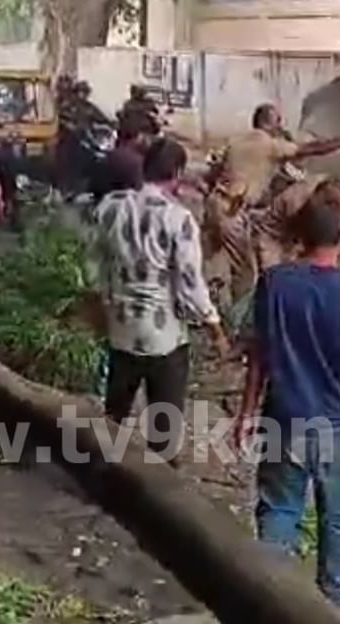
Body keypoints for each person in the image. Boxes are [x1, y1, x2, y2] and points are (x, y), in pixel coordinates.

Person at [231, 197, 340, 610]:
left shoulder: (275, 283)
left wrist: (247, 415)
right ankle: (331, 607)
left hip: (284, 420)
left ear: (298, 235)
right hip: (339, 428)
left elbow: (260, 357)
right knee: (338, 520)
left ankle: (266, 602)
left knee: (279, 512)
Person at [87, 138, 228, 464]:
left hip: (121, 328)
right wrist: (214, 326)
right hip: (164, 337)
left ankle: (105, 471)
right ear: (176, 173)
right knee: (164, 417)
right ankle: (161, 477)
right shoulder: (177, 219)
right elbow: (191, 284)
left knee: (116, 410)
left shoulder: (110, 208)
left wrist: (99, 308)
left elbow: (94, 267)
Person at [203, 103, 340, 303]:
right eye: (278, 121)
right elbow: (313, 149)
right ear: (266, 123)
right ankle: (238, 321)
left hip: (215, 202)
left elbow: (214, 169)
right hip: (231, 211)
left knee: (205, 257)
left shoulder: (236, 140)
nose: (280, 126)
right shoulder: (270, 146)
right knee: (245, 272)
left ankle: (199, 300)